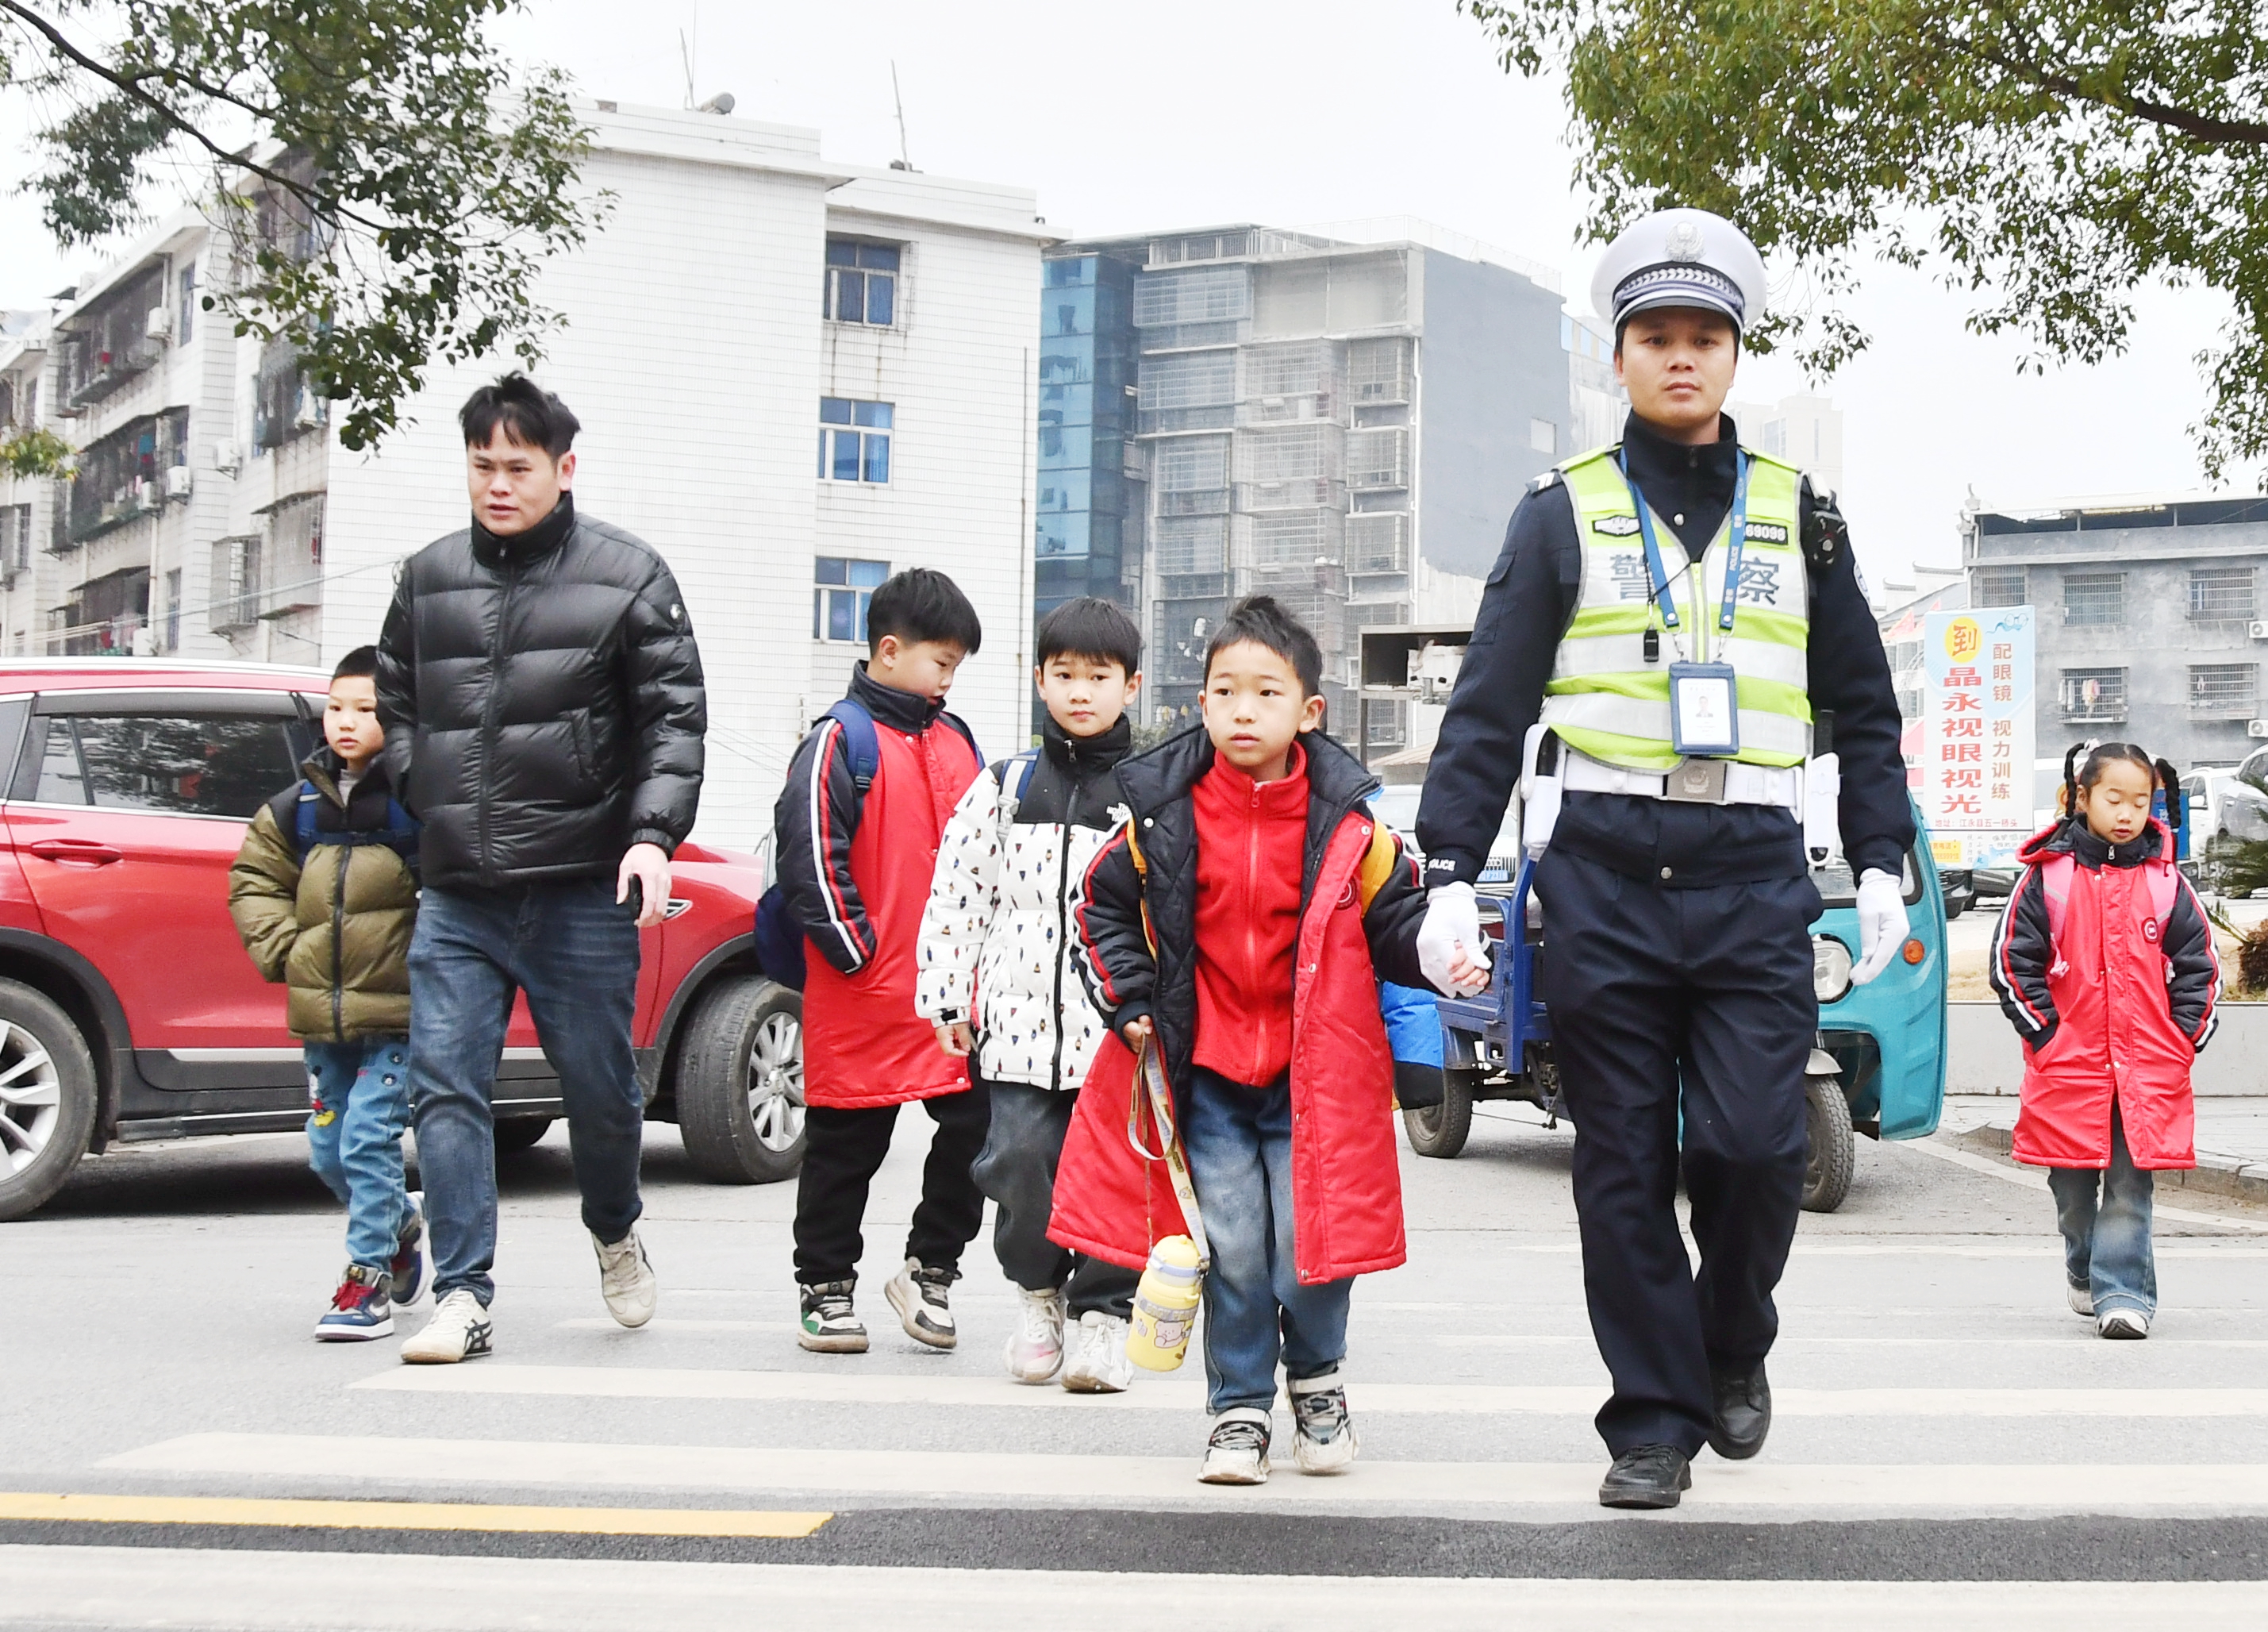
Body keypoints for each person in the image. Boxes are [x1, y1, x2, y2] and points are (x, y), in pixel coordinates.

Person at [1413, 210, 1914, 1508]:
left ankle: (1731, 1339)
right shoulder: (1558, 515)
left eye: (1703, 338)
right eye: (1654, 337)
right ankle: (1648, 1421)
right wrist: (1441, 876)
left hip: (1752, 870)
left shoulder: (1799, 520)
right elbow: (1485, 710)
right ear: (1618, 355)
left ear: (1732, 354)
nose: (1678, 358)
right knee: (1619, 1159)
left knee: (1753, 1146)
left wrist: (1876, 861)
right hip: (1601, 875)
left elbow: (1861, 708)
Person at [1059, 595, 1429, 1484]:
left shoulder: (1352, 825)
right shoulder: (1161, 816)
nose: (1241, 710)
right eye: (1223, 691)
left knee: (1314, 1246)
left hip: (1316, 1082)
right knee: (1233, 1250)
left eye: (1265, 692)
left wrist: (1441, 964)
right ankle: (1236, 1412)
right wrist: (1132, 997)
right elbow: (1098, 905)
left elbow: (1401, 923)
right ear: (1200, 705)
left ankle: (1318, 1384)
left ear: (1308, 711)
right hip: (1211, 1078)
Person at [376, 374, 706, 1364]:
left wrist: (651, 834)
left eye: (519, 468)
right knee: (445, 1087)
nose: (498, 485)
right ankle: (463, 1294)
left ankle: (612, 1225)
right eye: (482, 466)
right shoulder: (428, 577)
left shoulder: (629, 575)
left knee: (603, 1093)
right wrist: (422, 787)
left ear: (564, 469)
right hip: (460, 893)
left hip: (579, 889)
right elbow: (395, 701)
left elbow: (673, 721)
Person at [917, 596, 1147, 1391]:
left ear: (1131, 685)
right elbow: (958, 893)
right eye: (1063, 675)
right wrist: (948, 995)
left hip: (1119, 1030)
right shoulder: (1005, 784)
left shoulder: (1151, 792)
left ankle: (1104, 1320)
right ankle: (1038, 1295)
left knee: (1118, 1172)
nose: (1080, 691)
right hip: (1013, 1029)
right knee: (1017, 1160)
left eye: (1098, 676)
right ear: (1040, 682)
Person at [775, 568, 988, 1354]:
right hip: (861, 989)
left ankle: (929, 1268)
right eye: (940, 663)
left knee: (979, 1129)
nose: (946, 680)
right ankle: (825, 1287)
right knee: (844, 1150)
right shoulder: (839, 739)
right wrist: (856, 952)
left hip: (946, 997)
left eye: (955, 668)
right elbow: (809, 858)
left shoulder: (956, 738)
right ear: (889, 650)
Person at [1989, 742, 2220, 1340]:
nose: (2126, 813)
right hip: (2070, 1065)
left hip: (2146, 1067)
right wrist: (2046, 1035)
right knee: (2071, 1186)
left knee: (2128, 1181)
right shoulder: (2049, 879)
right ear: (2080, 798)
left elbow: (2199, 964)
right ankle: (2083, 1264)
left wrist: (2182, 1037)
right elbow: (2014, 961)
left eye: (2140, 801)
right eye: (2113, 798)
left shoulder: (2166, 884)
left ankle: (2123, 1295)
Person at [229, 647, 425, 1340]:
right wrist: (285, 950)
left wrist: (426, 961)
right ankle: (399, 1221)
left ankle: (364, 1281)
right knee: (328, 1149)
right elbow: (253, 879)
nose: (346, 722)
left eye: (366, 710)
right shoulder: (300, 807)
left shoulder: (417, 802)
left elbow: (456, 893)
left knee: (369, 1139)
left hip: (399, 1014)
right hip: (323, 1011)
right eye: (336, 707)